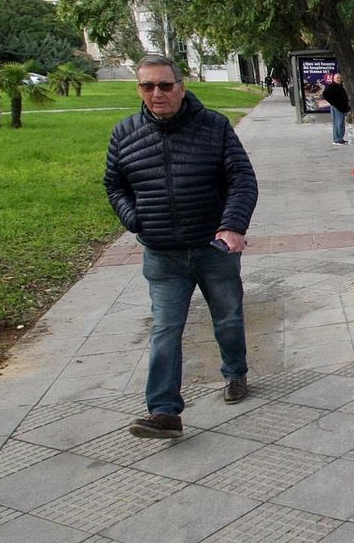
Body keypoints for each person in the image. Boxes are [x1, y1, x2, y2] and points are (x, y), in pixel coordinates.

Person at [105, 54, 258, 439]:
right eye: (147, 86)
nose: (157, 93)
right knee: (165, 329)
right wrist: (134, 218)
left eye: (165, 85)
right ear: (139, 89)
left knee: (228, 319)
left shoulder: (214, 126)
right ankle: (163, 411)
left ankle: (236, 373)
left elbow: (242, 179)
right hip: (162, 254)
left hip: (212, 248)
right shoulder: (124, 134)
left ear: (181, 86)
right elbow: (115, 185)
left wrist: (232, 226)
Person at [322, 70, 351, 145]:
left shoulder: (340, 86)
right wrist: (333, 103)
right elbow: (325, 94)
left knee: (341, 123)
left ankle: (341, 138)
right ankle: (337, 139)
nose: (339, 79)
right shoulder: (332, 86)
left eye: (340, 78)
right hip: (337, 107)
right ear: (334, 79)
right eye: (337, 78)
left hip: (341, 107)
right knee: (337, 123)